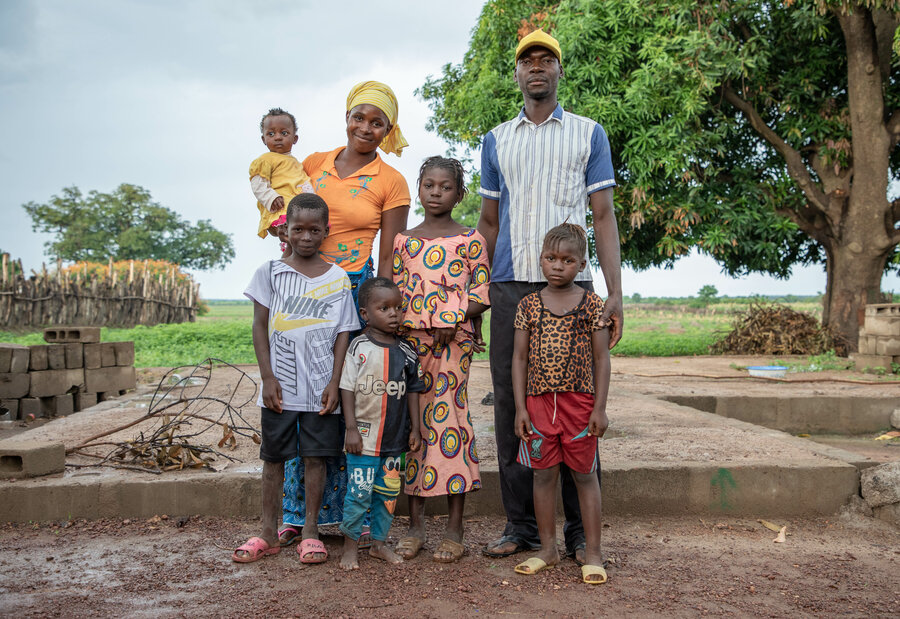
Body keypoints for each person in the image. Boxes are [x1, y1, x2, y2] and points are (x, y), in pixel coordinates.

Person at [477, 28, 624, 565]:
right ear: (517, 74)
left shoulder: (589, 134)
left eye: (546, 60)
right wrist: (476, 292)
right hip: (512, 284)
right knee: (516, 407)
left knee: (578, 403)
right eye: (527, 61)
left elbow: (603, 216)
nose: (536, 67)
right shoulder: (496, 139)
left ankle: (582, 536)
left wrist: (614, 291)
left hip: (576, 290)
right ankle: (522, 528)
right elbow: (488, 221)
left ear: (559, 71)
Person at [277, 81, 411, 547]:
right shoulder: (313, 164)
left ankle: (340, 514)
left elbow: (391, 256)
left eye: (378, 122)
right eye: (360, 117)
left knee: (344, 394)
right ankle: (295, 514)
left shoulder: (392, 181)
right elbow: (288, 216)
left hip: (354, 289)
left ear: (388, 129)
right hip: (305, 287)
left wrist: (383, 307)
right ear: (347, 116)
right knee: (305, 394)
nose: (366, 128)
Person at [235, 194, 359, 564]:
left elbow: (343, 335)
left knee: (316, 460)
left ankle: (310, 533)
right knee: (273, 459)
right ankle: (268, 532)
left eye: (314, 229)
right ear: (285, 230)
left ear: (326, 231)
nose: (305, 236)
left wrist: (335, 383)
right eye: (298, 229)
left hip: (320, 390)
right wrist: (268, 376)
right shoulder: (270, 273)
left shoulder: (338, 278)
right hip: (280, 391)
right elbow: (259, 326)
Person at [391, 156, 491, 563]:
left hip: (453, 350)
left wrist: (452, 317)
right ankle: (415, 527)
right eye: (429, 185)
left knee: (449, 425)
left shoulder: (471, 239)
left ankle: (454, 528)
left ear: (459, 193)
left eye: (445, 187)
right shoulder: (404, 240)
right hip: (412, 348)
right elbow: (394, 295)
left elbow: (482, 293)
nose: (436, 193)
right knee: (413, 429)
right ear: (419, 188)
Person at [511, 224, 610, 585]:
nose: (557, 266)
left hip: (580, 405)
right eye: (550, 258)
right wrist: (521, 408)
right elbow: (519, 359)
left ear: (581, 265)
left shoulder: (592, 305)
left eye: (567, 260)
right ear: (540, 260)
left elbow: (602, 359)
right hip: (538, 404)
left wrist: (599, 408)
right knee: (543, 475)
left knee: (584, 475)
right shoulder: (528, 306)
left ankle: (594, 553)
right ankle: (547, 549)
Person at [338, 277, 425, 570]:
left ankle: (378, 544)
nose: (393, 314)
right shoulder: (358, 347)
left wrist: (415, 428)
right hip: (363, 439)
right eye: (384, 308)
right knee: (358, 493)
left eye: (398, 308)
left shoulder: (408, 351)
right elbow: (346, 387)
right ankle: (350, 547)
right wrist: (350, 428)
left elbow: (413, 390)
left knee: (387, 496)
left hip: (394, 442)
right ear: (365, 314)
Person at [249, 108, 315, 257]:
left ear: (294, 138)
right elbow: (258, 183)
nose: (277, 137)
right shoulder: (266, 159)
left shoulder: (295, 162)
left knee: (303, 242)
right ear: (263, 139)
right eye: (271, 134)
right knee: (292, 242)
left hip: (300, 209)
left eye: (284, 133)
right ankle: (286, 263)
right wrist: (271, 197)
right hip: (282, 208)